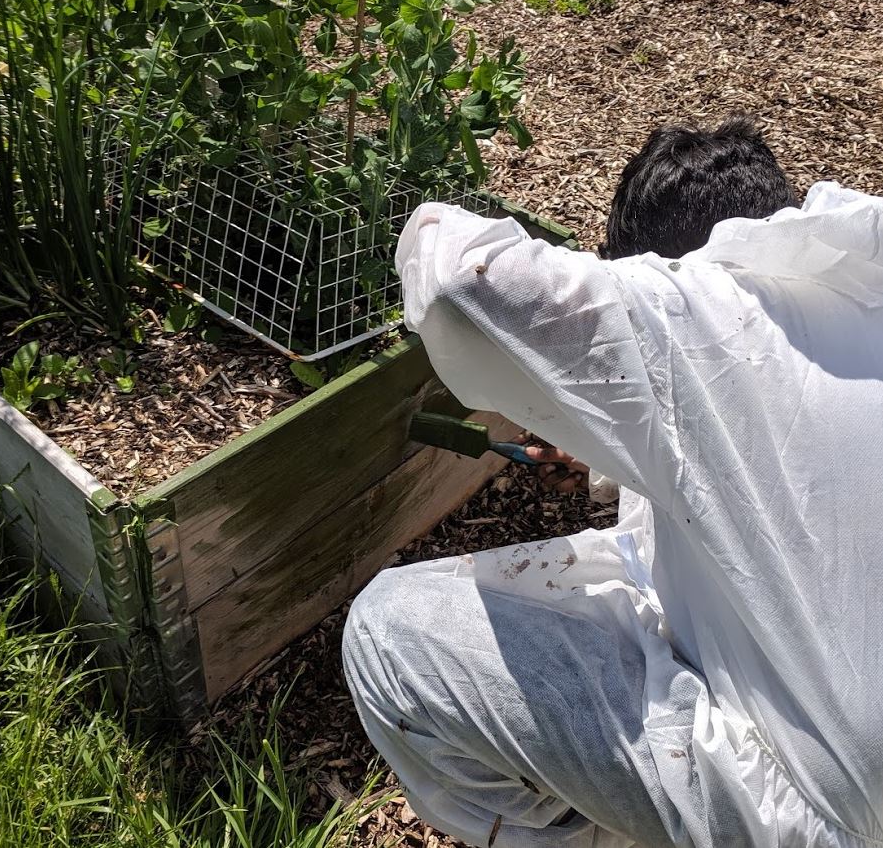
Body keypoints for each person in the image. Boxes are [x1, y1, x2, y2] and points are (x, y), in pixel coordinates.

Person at [342, 116, 883, 847]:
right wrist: (607, 459)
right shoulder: (854, 281)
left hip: (832, 819)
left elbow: (452, 282)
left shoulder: (697, 303)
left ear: (653, 267)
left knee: (384, 632)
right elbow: (772, 477)